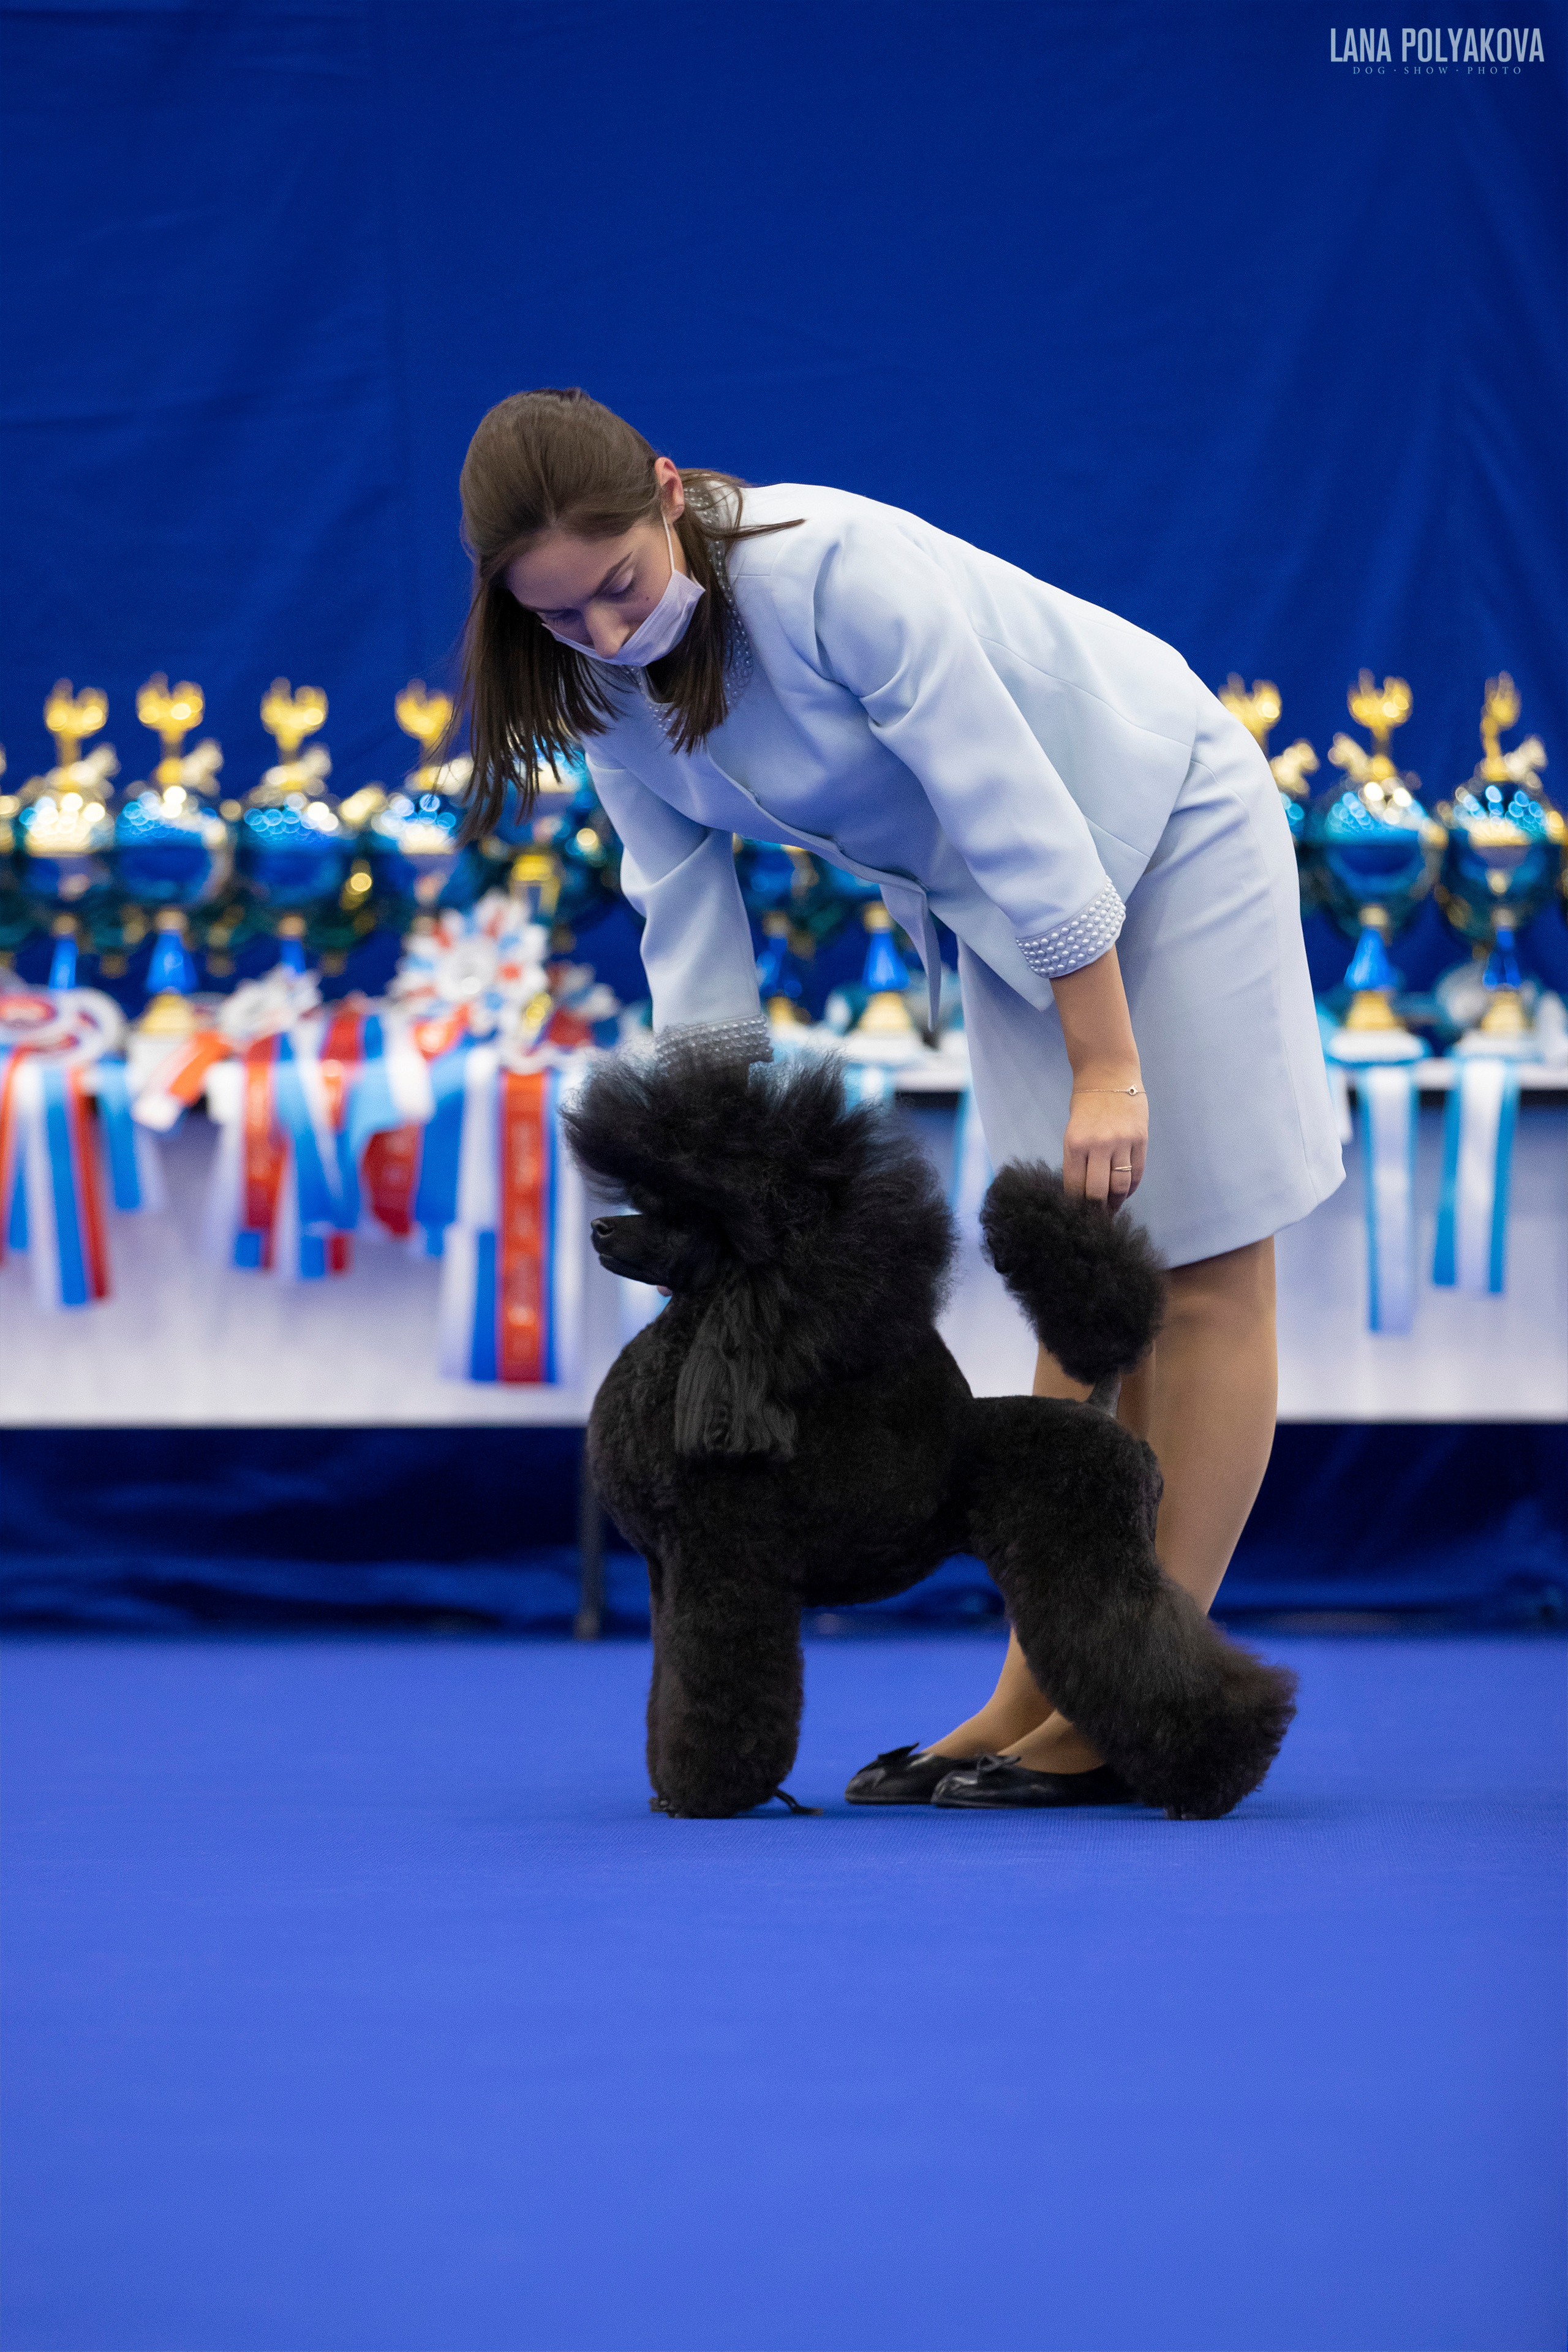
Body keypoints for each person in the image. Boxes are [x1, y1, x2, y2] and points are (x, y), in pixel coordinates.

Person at [454, 386, 1343, 1808]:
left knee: (1204, 1263)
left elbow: (1012, 806)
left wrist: (1108, 1065)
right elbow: (685, 931)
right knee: (1081, 1287)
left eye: (617, 586)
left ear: (667, 493)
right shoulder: (597, 687)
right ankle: (1032, 1685)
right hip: (1004, 912)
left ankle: (1139, 1701)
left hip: (1155, 829)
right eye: (561, 619)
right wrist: (722, 1194)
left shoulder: (835, 572)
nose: (605, 636)